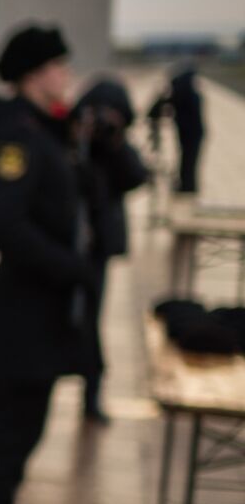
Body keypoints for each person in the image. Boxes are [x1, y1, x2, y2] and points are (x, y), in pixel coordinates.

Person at [0, 23, 92, 504]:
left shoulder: (48, 128)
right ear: (35, 75)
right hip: (23, 307)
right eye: (59, 66)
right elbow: (1, 222)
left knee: (27, 429)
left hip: (41, 308)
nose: (66, 76)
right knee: (9, 433)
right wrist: (69, 266)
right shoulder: (18, 134)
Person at [70, 78, 149, 425]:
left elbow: (136, 176)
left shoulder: (117, 150)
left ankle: (92, 394)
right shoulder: (72, 142)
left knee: (91, 321)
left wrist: (115, 141)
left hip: (96, 248)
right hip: (67, 243)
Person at [167, 65, 206, 194]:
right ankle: (187, 185)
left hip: (192, 134)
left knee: (189, 160)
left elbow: (166, 103)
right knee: (187, 160)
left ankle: (188, 187)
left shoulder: (184, 95)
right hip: (191, 134)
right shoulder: (191, 94)